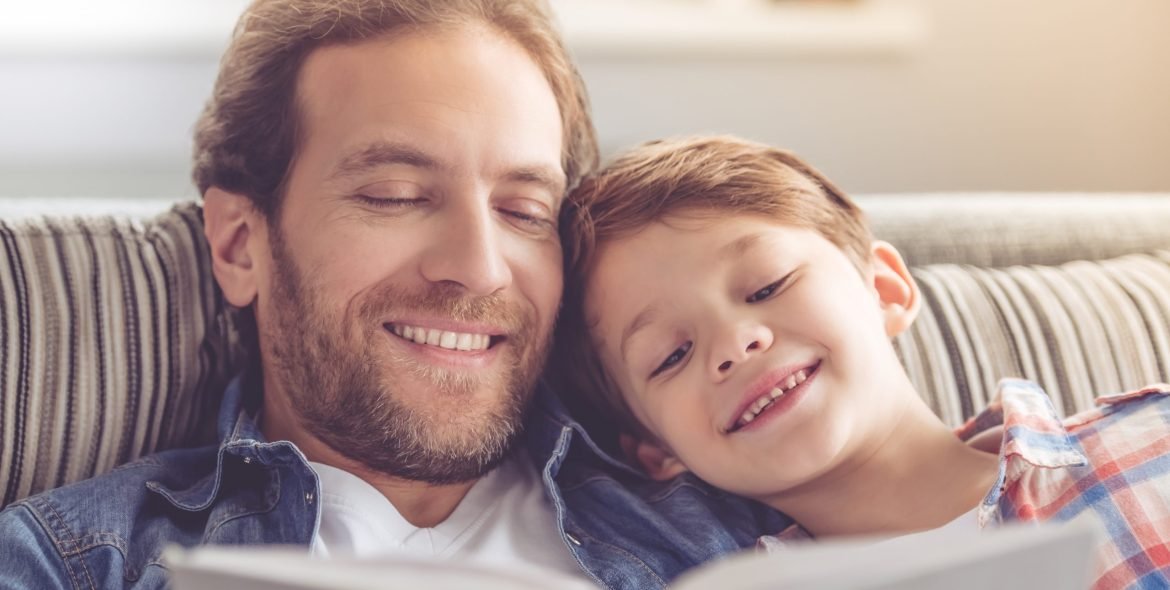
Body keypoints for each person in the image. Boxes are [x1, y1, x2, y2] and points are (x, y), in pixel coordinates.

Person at [0, 4, 787, 590]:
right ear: (241, 243)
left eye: (523, 212)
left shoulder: (726, 524)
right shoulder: (70, 564)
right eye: (396, 195)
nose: (480, 269)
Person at [554, 134, 1170, 589]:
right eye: (672, 355)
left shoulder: (1153, 440)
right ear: (655, 450)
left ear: (886, 290)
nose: (733, 344)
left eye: (766, 286)